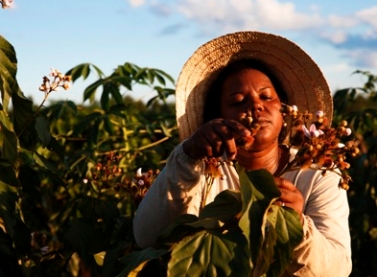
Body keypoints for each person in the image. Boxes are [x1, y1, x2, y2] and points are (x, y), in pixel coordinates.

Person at [133, 31, 352, 276]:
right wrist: (187, 156)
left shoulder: (318, 175)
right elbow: (148, 236)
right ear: (218, 117)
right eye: (237, 101)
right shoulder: (200, 169)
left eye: (266, 97)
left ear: (285, 112)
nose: (255, 106)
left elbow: (338, 270)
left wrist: (297, 225)